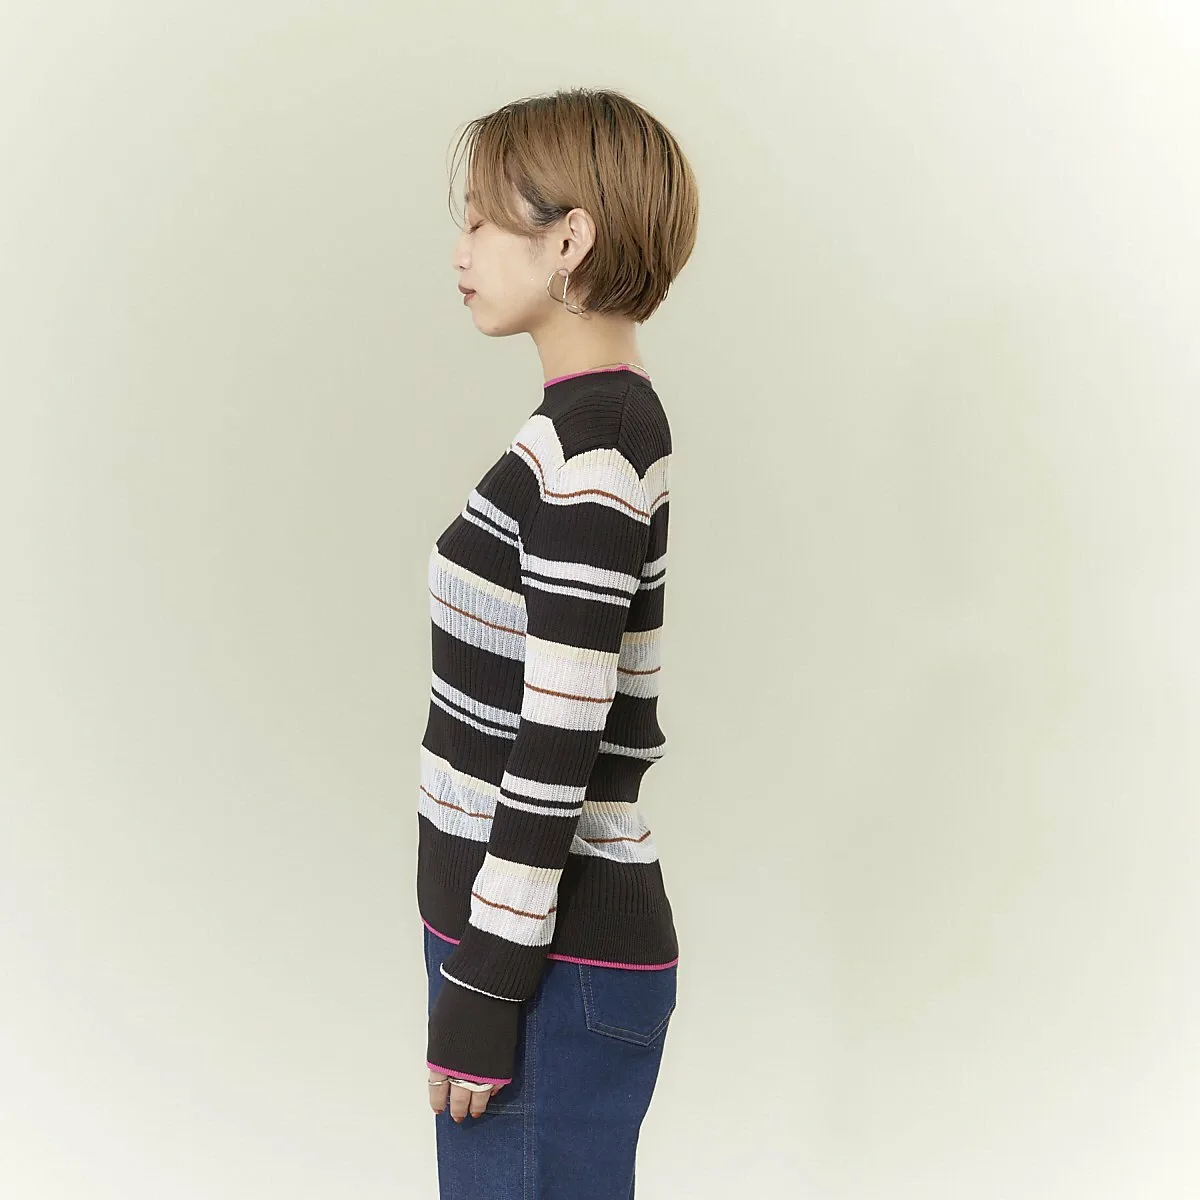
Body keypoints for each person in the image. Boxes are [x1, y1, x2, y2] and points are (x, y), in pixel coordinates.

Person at [417, 86, 699, 1198]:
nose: (462, 249)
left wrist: (487, 983)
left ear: (570, 239)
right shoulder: (582, 426)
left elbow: (560, 736)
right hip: (530, 948)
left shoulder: (596, 446)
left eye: (485, 219)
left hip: (544, 965)